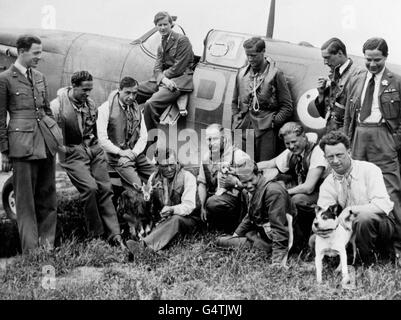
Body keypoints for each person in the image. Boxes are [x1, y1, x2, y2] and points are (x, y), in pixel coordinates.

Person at [0, 34, 62, 253]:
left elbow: (45, 109)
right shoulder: (5, 78)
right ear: (21, 51)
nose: (39, 57)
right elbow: (0, 118)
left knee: (47, 197)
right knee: (25, 203)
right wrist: (5, 151)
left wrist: (54, 137)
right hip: (21, 146)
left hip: (45, 144)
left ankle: (47, 247)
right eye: (36, 53)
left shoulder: (39, 77)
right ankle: (31, 252)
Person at [50, 71, 124, 248]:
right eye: (84, 90)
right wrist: (64, 150)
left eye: (90, 89)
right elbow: (50, 135)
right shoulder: (56, 106)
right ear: (73, 86)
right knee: (90, 189)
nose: (88, 94)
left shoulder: (89, 103)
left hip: (93, 149)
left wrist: (97, 147)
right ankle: (96, 236)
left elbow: (94, 129)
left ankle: (115, 235)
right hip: (71, 152)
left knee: (106, 189)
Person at [343, 37, 401, 263]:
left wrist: (395, 142)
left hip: (383, 137)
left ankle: (396, 248)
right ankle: (355, 245)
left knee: (391, 192)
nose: (373, 64)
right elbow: (348, 114)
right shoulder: (356, 79)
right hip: (359, 134)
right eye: (369, 59)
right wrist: (347, 141)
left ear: (386, 57)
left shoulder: (396, 81)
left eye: (377, 60)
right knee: (356, 187)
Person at [316, 131, 396, 265]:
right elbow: (323, 212)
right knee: (314, 241)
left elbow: (383, 205)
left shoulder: (369, 169)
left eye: (339, 155)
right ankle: (347, 257)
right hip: (347, 227)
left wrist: (351, 209)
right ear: (325, 157)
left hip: (379, 223)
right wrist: (319, 227)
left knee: (363, 219)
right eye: (330, 157)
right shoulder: (328, 182)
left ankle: (367, 262)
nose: (335, 161)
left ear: (349, 151)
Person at [258, 122, 328, 251]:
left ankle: (304, 237)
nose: (291, 146)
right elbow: (271, 163)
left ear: (304, 136)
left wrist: (283, 192)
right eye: (287, 143)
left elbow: (309, 187)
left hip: (324, 194)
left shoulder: (317, 151)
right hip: (307, 191)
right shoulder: (293, 150)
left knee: (296, 199)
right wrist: (249, 166)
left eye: (294, 142)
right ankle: (288, 236)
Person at [231, 37, 293, 162]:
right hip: (243, 128)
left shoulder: (275, 74)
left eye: (253, 55)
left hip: (265, 131)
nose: (250, 59)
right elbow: (234, 101)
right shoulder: (241, 73)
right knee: (241, 168)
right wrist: (236, 117)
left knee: (263, 169)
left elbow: (287, 107)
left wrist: (273, 123)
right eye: (248, 55)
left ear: (263, 51)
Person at [126, 147, 199, 252]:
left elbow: (189, 206)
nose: (169, 169)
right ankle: (148, 243)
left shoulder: (187, 176)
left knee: (175, 219)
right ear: (158, 166)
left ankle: (143, 247)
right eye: (164, 166)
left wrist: (172, 209)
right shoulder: (153, 178)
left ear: (177, 162)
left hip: (189, 220)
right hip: (164, 219)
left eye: (172, 165)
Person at [137, 11, 194, 132]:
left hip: (179, 81)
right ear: (156, 26)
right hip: (165, 80)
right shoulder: (161, 45)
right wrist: (164, 79)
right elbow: (156, 69)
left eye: (165, 24)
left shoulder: (182, 40)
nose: (162, 27)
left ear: (171, 24)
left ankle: (151, 141)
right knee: (132, 92)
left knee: (150, 104)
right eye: (159, 25)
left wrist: (163, 78)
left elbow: (179, 67)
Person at [226, 159, 291, 266]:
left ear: (259, 174)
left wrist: (277, 261)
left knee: (222, 242)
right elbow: (251, 214)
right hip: (264, 234)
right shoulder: (256, 189)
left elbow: (280, 229)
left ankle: (264, 247)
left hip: (281, 239)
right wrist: (236, 235)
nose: (249, 185)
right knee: (226, 241)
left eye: (251, 180)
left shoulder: (273, 191)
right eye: (244, 182)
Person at [97, 76, 154, 189]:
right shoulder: (105, 109)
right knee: (138, 188)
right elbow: (102, 140)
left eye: (134, 93)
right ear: (119, 90)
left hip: (135, 154)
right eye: (127, 93)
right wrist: (120, 152)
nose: (131, 97)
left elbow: (144, 136)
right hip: (117, 157)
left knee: (158, 177)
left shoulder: (136, 109)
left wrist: (133, 153)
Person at [198, 123, 251, 234]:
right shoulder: (206, 158)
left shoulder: (238, 155)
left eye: (215, 139)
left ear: (224, 139)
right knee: (198, 200)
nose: (211, 143)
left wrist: (235, 183)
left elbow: (252, 186)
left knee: (213, 203)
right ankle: (211, 227)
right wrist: (202, 206)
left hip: (237, 200)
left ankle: (235, 228)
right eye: (208, 139)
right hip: (216, 196)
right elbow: (202, 183)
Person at [315, 38, 364, 132]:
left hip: (345, 137)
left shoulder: (358, 75)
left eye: (327, 57)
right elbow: (327, 115)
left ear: (340, 53)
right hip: (333, 134)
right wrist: (321, 94)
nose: (325, 62)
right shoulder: (335, 74)